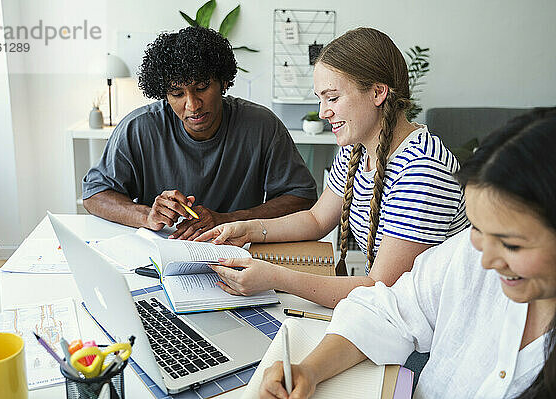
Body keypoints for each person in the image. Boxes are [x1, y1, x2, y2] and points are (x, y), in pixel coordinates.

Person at [258, 107, 556, 399]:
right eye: (478, 229)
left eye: (512, 245)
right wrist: (309, 370)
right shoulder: (466, 254)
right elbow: (389, 310)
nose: (487, 260)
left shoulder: (423, 167)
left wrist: (278, 276)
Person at [197, 28, 468, 308]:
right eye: (320, 98)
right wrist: (249, 229)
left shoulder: (423, 169)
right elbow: (315, 220)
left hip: (433, 327)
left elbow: (380, 288)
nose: (324, 111)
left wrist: (276, 278)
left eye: (333, 98)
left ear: (378, 92)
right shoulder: (357, 149)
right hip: (395, 315)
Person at [82, 27, 317, 240]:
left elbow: (302, 197)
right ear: (164, 94)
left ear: (223, 82)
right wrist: (147, 215)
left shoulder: (262, 126)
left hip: (239, 252)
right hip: (161, 254)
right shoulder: (139, 128)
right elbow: (95, 194)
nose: (193, 105)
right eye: (177, 93)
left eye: (201, 88)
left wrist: (228, 219)